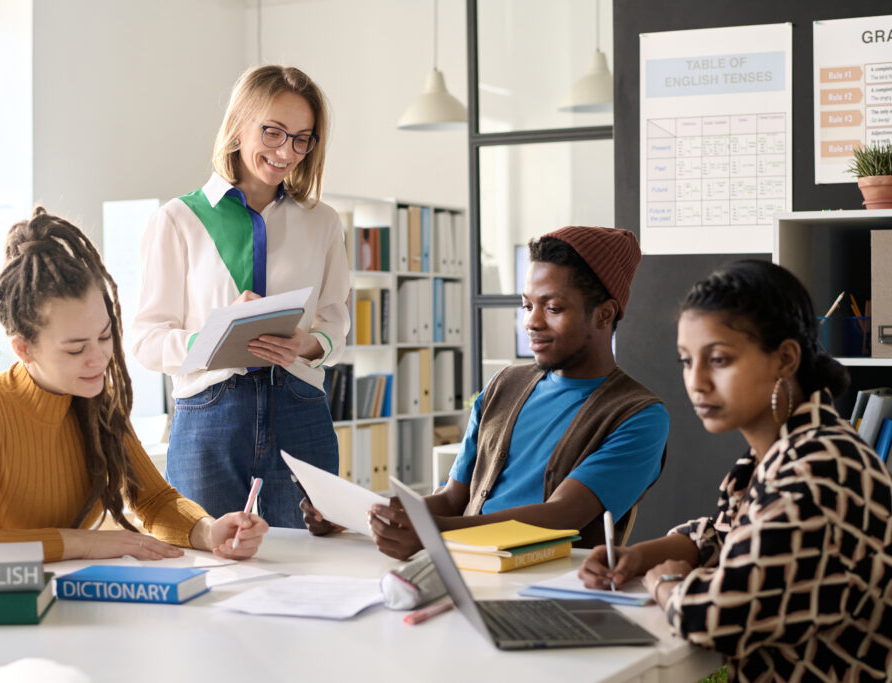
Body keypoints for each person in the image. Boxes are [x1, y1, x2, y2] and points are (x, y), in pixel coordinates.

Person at [579, 260, 892, 682]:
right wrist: (637, 558)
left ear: (784, 358)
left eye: (719, 359)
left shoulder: (819, 469)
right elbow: (728, 535)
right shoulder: (779, 453)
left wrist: (665, 582)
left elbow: (715, 616)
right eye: (687, 362)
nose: (697, 382)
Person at [0, 208, 268, 562]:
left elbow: (154, 501)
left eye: (104, 336)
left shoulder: (98, 404)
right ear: (23, 348)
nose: (99, 358)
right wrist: (82, 543)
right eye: (76, 348)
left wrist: (208, 531)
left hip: (73, 593)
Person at [306, 226, 670, 560]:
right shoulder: (504, 386)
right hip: (463, 568)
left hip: (548, 584)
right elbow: (453, 498)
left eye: (553, 307)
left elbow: (562, 517)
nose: (532, 321)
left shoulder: (638, 415)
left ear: (605, 315)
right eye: (528, 306)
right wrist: (363, 514)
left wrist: (432, 533)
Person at [132, 65, 350, 529]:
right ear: (238, 124)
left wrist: (305, 344)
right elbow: (147, 339)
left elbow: (335, 324)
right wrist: (214, 335)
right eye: (273, 131)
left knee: (309, 566)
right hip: (210, 414)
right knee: (208, 566)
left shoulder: (323, 222)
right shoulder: (179, 220)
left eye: (301, 138)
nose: (286, 151)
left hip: (300, 411)